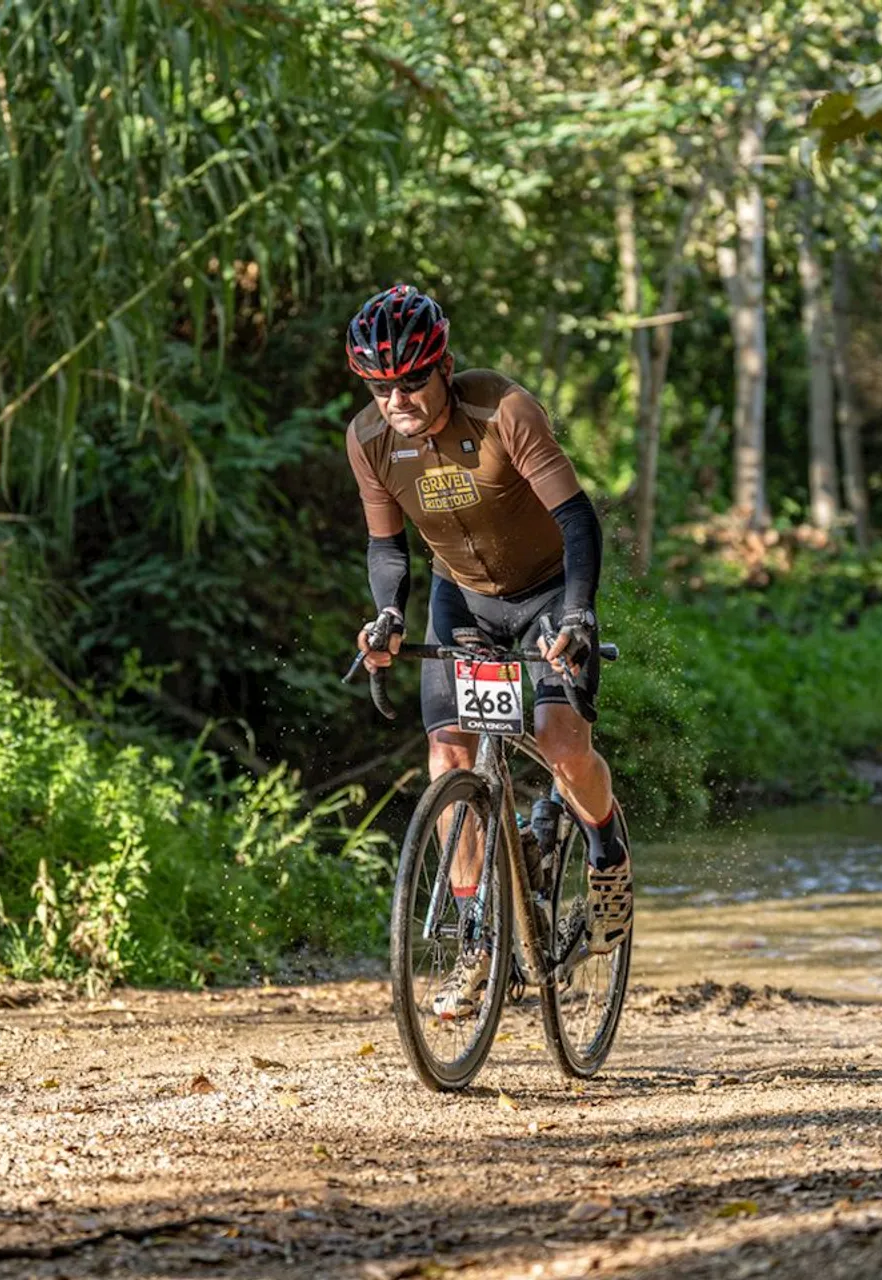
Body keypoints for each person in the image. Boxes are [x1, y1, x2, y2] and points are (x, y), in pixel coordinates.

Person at [343, 283, 630, 1018]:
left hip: (545, 591)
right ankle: (478, 937)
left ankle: (605, 855)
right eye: (380, 385)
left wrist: (579, 613)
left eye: (410, 381)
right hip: (461, 600)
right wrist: (384, 616)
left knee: (561, 743)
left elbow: (577, 521)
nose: (396, 398)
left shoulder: (502, 410)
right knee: (449, 757)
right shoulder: (369, 440)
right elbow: (387, 548)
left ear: (442, 368)